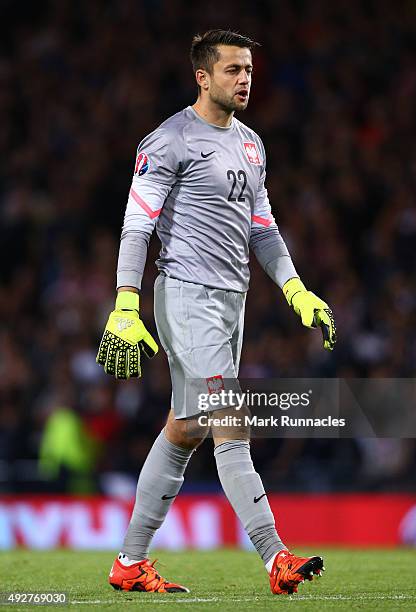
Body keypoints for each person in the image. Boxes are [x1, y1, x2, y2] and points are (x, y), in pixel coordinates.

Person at [96, 29, 336, 596]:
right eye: (232, 70)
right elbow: (138, 224)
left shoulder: (251, 144)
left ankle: (129, 563)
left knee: (185, 429)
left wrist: (297, 290)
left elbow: (264, 230)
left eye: (249, 69)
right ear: (202, 77)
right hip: (185, 295)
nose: (245, 78)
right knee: (231, 422)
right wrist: (125, 303)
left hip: (232, 303)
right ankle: (275, 556)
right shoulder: (169, 141)